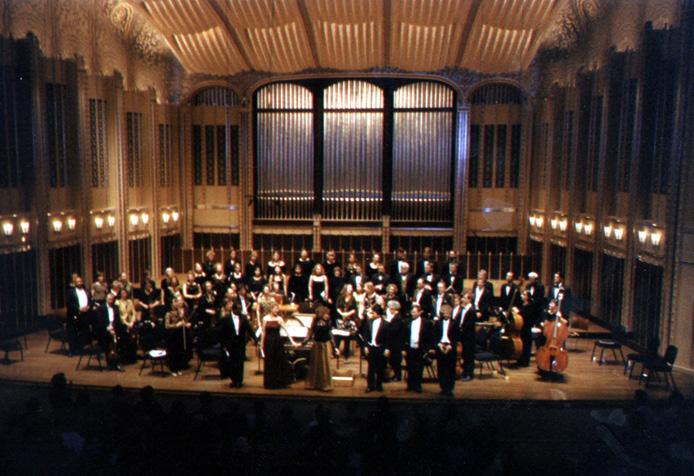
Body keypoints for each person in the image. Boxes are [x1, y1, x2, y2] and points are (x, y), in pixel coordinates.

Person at [261, 304, 297, 389]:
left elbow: (286, 330)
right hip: (268, 342)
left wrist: (292, 341)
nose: (277, 310)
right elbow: (263, 332)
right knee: (269, 361)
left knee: (278, 361)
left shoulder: (279, 319)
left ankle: (278, 382)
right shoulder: (265, 318)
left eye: (278, 309)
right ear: (271, 309)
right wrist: (262, 344)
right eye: (275, 309)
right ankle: (269, 383)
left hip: (277, 342)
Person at [218, 300, 252, 388]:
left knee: (240, 362)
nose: (240, 312)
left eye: (240, 310)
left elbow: (249, 329)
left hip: (240, 342)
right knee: (232, 362)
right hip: (231, 343)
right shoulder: (226, 318)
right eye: (238, 310)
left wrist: (255, 339)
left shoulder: (243, 318)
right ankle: (233, 380)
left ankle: (239, 381)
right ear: (233, 310)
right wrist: (223, 344)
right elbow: (222, 332)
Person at [304, 306, 337, 391]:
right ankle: (315, 383)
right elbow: (310, 333)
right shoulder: (315, 322)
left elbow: (330, 335)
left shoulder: (328, 322)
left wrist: (335, 347)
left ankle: (325, 384)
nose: (327, 315)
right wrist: (303, 342)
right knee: (315, 365)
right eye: (326, 314)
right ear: (321, 314)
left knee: (324, 366)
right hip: (316, 345)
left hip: (325, 345)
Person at [403, 304, 433, 393]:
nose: (413, 314)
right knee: (410, 367)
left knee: (419, 368)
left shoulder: (426, 323)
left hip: (420, 348)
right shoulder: (407, 322)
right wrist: (403, 349)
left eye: (415, 312)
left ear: (420, 313)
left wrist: (427, 349)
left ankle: (417, 386)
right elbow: (403, 336)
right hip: (410, 348)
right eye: (412, 312)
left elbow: (429, 337)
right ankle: (410, 385)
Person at [361, 305, 390, 393]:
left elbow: (388, 338)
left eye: (373, 313)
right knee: (371, 368)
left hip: (380, 348)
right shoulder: (369, 322)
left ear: (378, 314)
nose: (371, 314)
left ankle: (379, 385)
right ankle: (370, 385)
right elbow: (366, 335)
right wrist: (365, 346)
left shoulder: (386, 324)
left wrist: (387, 349)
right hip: (371, 347)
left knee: (380, 368)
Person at [94, 293, 125, 371]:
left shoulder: (116, 307)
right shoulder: (101, 308)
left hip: (114, 328)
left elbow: (117, 320)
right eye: (109, 299)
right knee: (108, 341)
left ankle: (118, 363)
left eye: (112, 299)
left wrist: (113, 328)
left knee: (121, 340)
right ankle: (109, 364)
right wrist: (107, 328)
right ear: (106, 299)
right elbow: (99, 321)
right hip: (104, 329)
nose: (111, 301)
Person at [433, 305, 458, 396]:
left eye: (448, 313)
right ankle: (443, 387)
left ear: (450, 313)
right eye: (444, 313)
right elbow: (435, 336)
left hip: (450, 347)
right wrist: (439, 345)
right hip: (440, 345)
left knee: (450, 369)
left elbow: (457, 336)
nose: (446, 314)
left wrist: (450, 346)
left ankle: (449, 388)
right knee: (441, 368)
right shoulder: (437, 323)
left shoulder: (455, 323)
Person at [164, 297, 192, 376]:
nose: (176, 304)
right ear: (171, 304)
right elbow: (167, 326)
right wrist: (176, 325)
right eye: (175, 302)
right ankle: (173, 369)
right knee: (173, 353)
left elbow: (182, 321)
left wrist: (184, 323)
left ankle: (178, 367)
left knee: (179, 352)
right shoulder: (168, 313)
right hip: (172, 335)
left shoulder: (179, 312)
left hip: (178, 334)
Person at [66, 274, 92, 353]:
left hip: (85, 314)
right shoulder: (71, 292)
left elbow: (90, 300)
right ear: (75, 283)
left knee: (84, 331)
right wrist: (79, 309)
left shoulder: (85, 291)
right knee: (74, 332)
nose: (80, 283)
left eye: (80, 281)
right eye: (78, 282)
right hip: (76, 314)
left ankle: (82, 347)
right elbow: (69, 304)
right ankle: (73, 350)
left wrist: (88, 306)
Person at [456, 291, 477, 381]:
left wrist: (461, 327)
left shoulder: (472, 311)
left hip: (469, 337)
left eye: (464, 298)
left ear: (469, 299)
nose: (462, 299)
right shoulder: (462, 309)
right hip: (463, 336)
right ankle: (464, 373)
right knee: (464, 355)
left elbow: (469, 325)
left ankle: (469, 374)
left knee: (469, 356)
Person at [335, 284, 358, 359]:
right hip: (340, 318)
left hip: (349, 319)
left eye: (351, 288)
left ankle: (346, 354)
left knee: (347, 336)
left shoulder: (353, 298)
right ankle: (336, 351)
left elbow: (354, 309)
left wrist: (347, 314)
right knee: (338, 335)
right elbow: (337, 307)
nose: (351, 289)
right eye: (350, 288)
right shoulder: (340, 297)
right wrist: (342, 314)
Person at [384, 300, 404, 382]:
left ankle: (398, 376)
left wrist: (387, 324)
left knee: (395, 360)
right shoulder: (396, 317)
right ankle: (396, 375)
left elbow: (394, 330)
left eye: (390, 308)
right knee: (393, 360)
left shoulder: (397, 318)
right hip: (395, 342)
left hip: (396, 343)